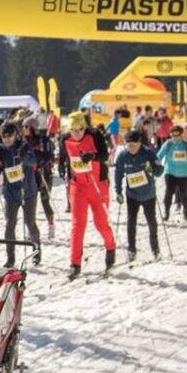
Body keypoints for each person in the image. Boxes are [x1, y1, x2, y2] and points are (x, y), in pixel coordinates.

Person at [57, 111, 116, 280]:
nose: (77, 133)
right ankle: (74, 264)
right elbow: (64, 157)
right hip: (78, 186)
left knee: (100, 223)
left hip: (98, 185)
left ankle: (111, 246)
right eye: (73, 130)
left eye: (80, 130)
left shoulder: (95, 135)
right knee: (77, 224)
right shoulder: (65, 139)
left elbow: (105, 155)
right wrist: (62, 167)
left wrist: (93, 156)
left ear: (85, 127)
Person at [0, 123, 42, 268]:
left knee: (30, 223)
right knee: (10, 225)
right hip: (10, 193)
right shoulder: (1, 148)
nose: (7, 139)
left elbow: (33, 161)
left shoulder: (24, 145)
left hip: (28, 192)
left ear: (15, 135)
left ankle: (36, 252)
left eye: (9, 136)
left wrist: (25, 158)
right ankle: (10, 258)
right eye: (4, 136)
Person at [114, 130, 163, 262]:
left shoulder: (148, 153)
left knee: (151, 222)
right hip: (132, 195)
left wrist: (153, 170)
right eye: (129, 145)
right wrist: (118, 191)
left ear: (140, 143)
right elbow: (118, 174)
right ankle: (131, 249)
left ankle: (155, 249)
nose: (132, 148)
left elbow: (160, 170)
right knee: (131, 222)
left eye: (134, 145)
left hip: (148, 194)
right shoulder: (122, 156)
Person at [22, 117, 55, 239]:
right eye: (23, 126)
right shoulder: (23, 141)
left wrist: (39, 164)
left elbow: (49, 156)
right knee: (30, 201)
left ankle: (51, 224)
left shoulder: (43, 139)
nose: (24, 129)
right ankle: (31, 228)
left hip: (43, 172)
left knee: (45, 200)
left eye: (26, 126)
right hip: (30, 174)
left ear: (32, 127)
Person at [157, 124, 187, 221]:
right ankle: (166, 212)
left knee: (184, 192)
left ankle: (185, 210)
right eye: (173, 135)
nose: (175, 137)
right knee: (169, 191)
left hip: (184, 172)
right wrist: (155, 164)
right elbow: (159, 155)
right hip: (170, 171)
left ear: (181, 134)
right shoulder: (168, 144)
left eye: (177, 135)